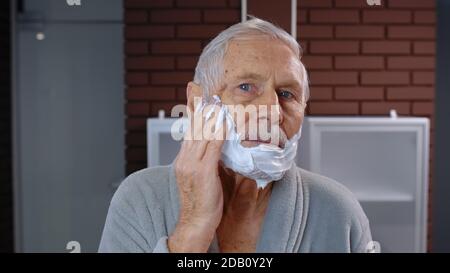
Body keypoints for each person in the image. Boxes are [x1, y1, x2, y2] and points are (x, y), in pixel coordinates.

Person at [98, 18, 372, 253]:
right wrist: (193, 226)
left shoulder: (338, 212)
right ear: (196, 104)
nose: (272, 113)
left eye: (287, 94)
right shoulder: (139, 201)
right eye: (246, 87)